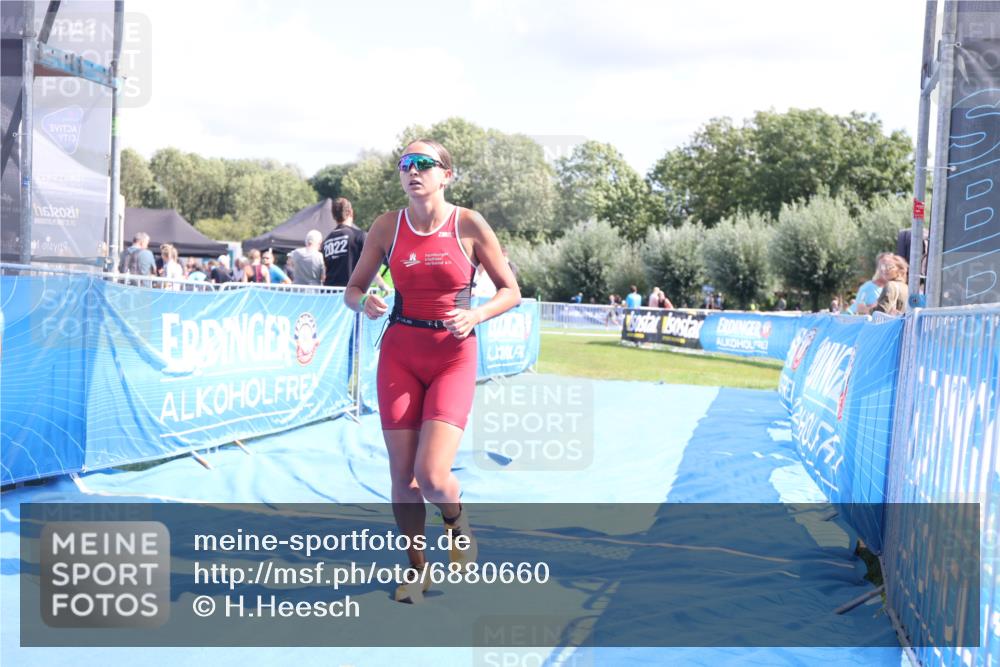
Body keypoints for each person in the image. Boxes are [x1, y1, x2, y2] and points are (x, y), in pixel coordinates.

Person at [344, 140, 519, 603]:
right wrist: (366, 301)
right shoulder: (386, 226)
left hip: (452, 354)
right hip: (401, 351)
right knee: (403, 477)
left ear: (447, 175)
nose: (413, 171)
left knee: (433, 474)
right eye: (406, 164)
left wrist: (477, 315)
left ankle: (456, 520)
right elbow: (353, 289)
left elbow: (510, 291)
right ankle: (417, 569)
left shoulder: (468, 224)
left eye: (425, 164)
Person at [323, 198, 387, 289]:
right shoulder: (359, 236)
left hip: (329, 295)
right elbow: (370, 266)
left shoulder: (326, 241)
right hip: (351, 295)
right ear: (350, 212)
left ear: (334, 216)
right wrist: (383, 285)